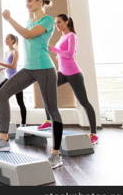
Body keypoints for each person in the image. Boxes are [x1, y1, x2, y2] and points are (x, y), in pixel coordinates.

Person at [0, 0, 64, 169]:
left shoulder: (47, 20)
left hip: (44, 68)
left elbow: (29, 35)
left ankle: (56, 154)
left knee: (52, 110)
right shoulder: (30, 21)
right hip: (29, 68)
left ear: (39, 1)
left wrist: (10, 19)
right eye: (26, 1)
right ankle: (3, 139)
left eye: (30, 1)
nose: (27, 4)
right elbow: (27, 34)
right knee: (3, 93)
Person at [36, 14, 98, 144]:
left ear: (66, 22)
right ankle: (48, 121)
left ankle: (93, 134)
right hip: (62, 73)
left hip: (74, 73)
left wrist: (54, 49)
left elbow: (70, 54)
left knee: (84, 102)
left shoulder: (72, 36)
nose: (56, 25)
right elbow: (60, 55)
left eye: (59, 22)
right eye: (55, 23)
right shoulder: (62, 37)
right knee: (46, 89)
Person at [0, 34, 27, 126]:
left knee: (20, 102)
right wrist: (3, 68)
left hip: (15, 79)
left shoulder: (15, 52)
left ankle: (23, 123)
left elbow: (13, 66)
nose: (6, 40)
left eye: (7, 38)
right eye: (6, 38)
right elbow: (9, 65)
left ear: (12, 41)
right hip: (8, 78)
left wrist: (0, 64)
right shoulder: (7, 52)